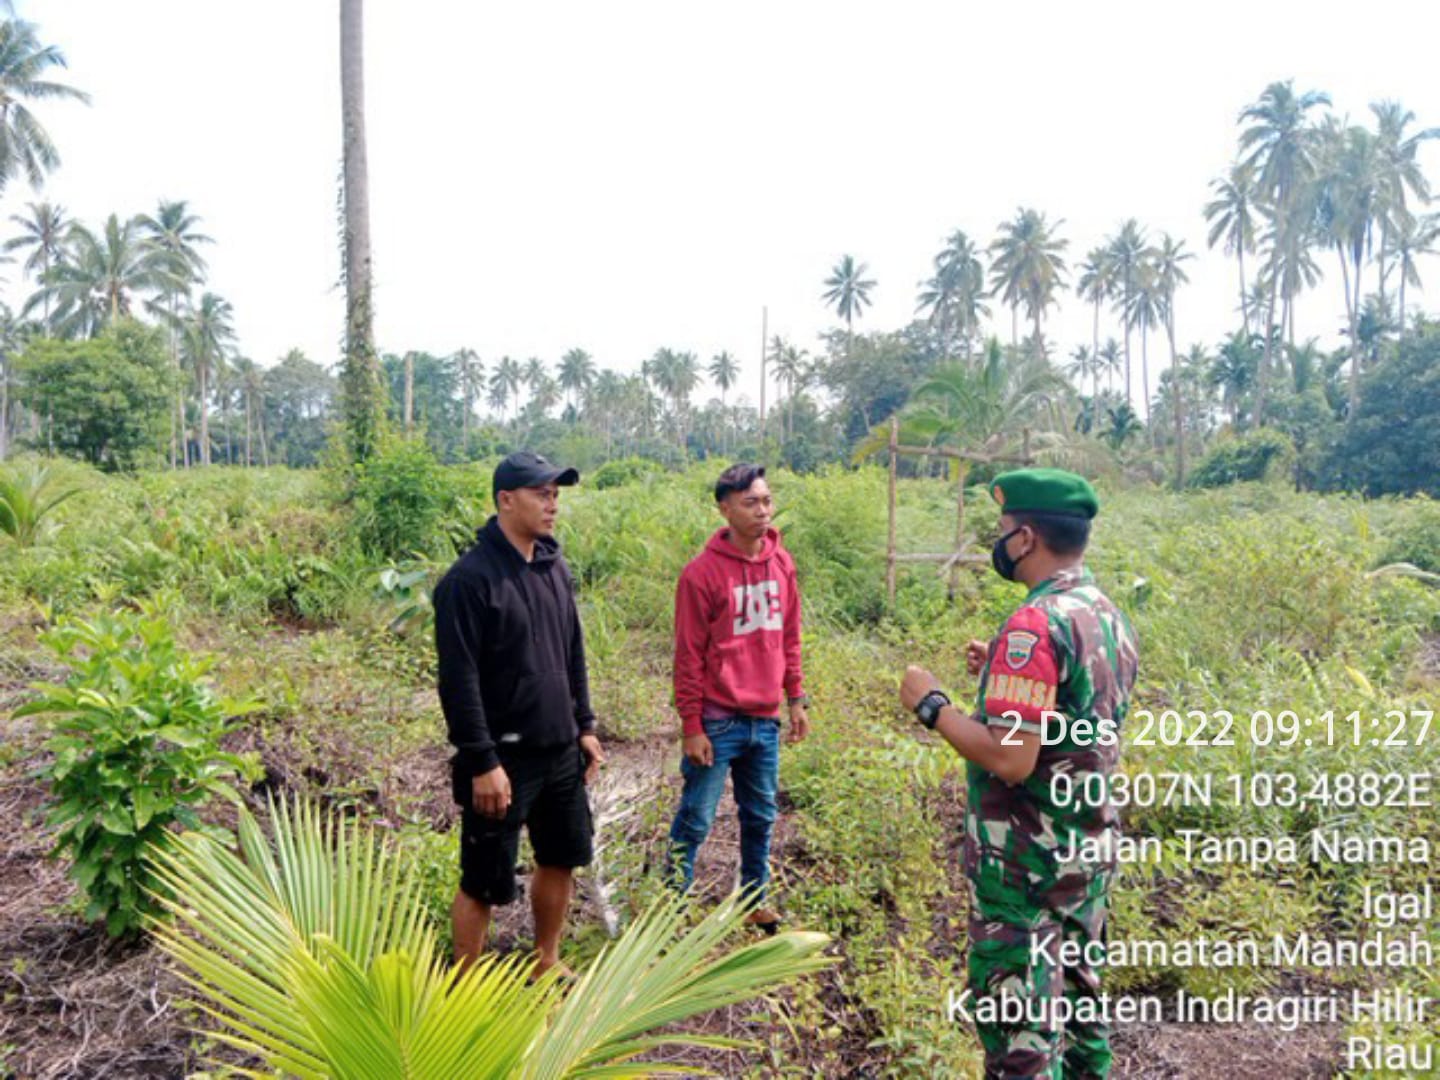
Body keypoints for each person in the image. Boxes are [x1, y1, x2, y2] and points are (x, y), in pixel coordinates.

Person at [898, 467, 1139, 1079]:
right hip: (1084, 849)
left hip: (1026, 862)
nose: (999, 542)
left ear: (1026, 538)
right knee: (1080, 1001)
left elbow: (1010, 757)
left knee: (1020, 1027)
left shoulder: (1035, 623)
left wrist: (933, 705)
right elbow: (1072, 702)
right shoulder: (1101, 611)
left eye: (1003, 530)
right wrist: (1002, 669)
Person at [434, 449, 605, 978]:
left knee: (560, 858)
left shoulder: (554, 567)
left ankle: (545, 962)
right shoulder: (468, 581)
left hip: (558, 749)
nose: (551, 505)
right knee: (483, 879)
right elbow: (458, 680)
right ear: (506, 500)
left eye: (555, 495)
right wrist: (482, 761)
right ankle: (464, 992)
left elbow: (571, 651)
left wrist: (585, 726)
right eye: (541, 494)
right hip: (502, 759)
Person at [666, 463, 809, 929]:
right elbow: (688, 656)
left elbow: (790, 635)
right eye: (750, 503)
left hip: (765, 719)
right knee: (696, 819)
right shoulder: (701, 575)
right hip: (719, 718)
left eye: (767, 501)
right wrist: (692, 726)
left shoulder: (782, 563)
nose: (762, 511)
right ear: (724, 508)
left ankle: (753, 901)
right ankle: (669, 912)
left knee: (761, 816)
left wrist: (796, 698)